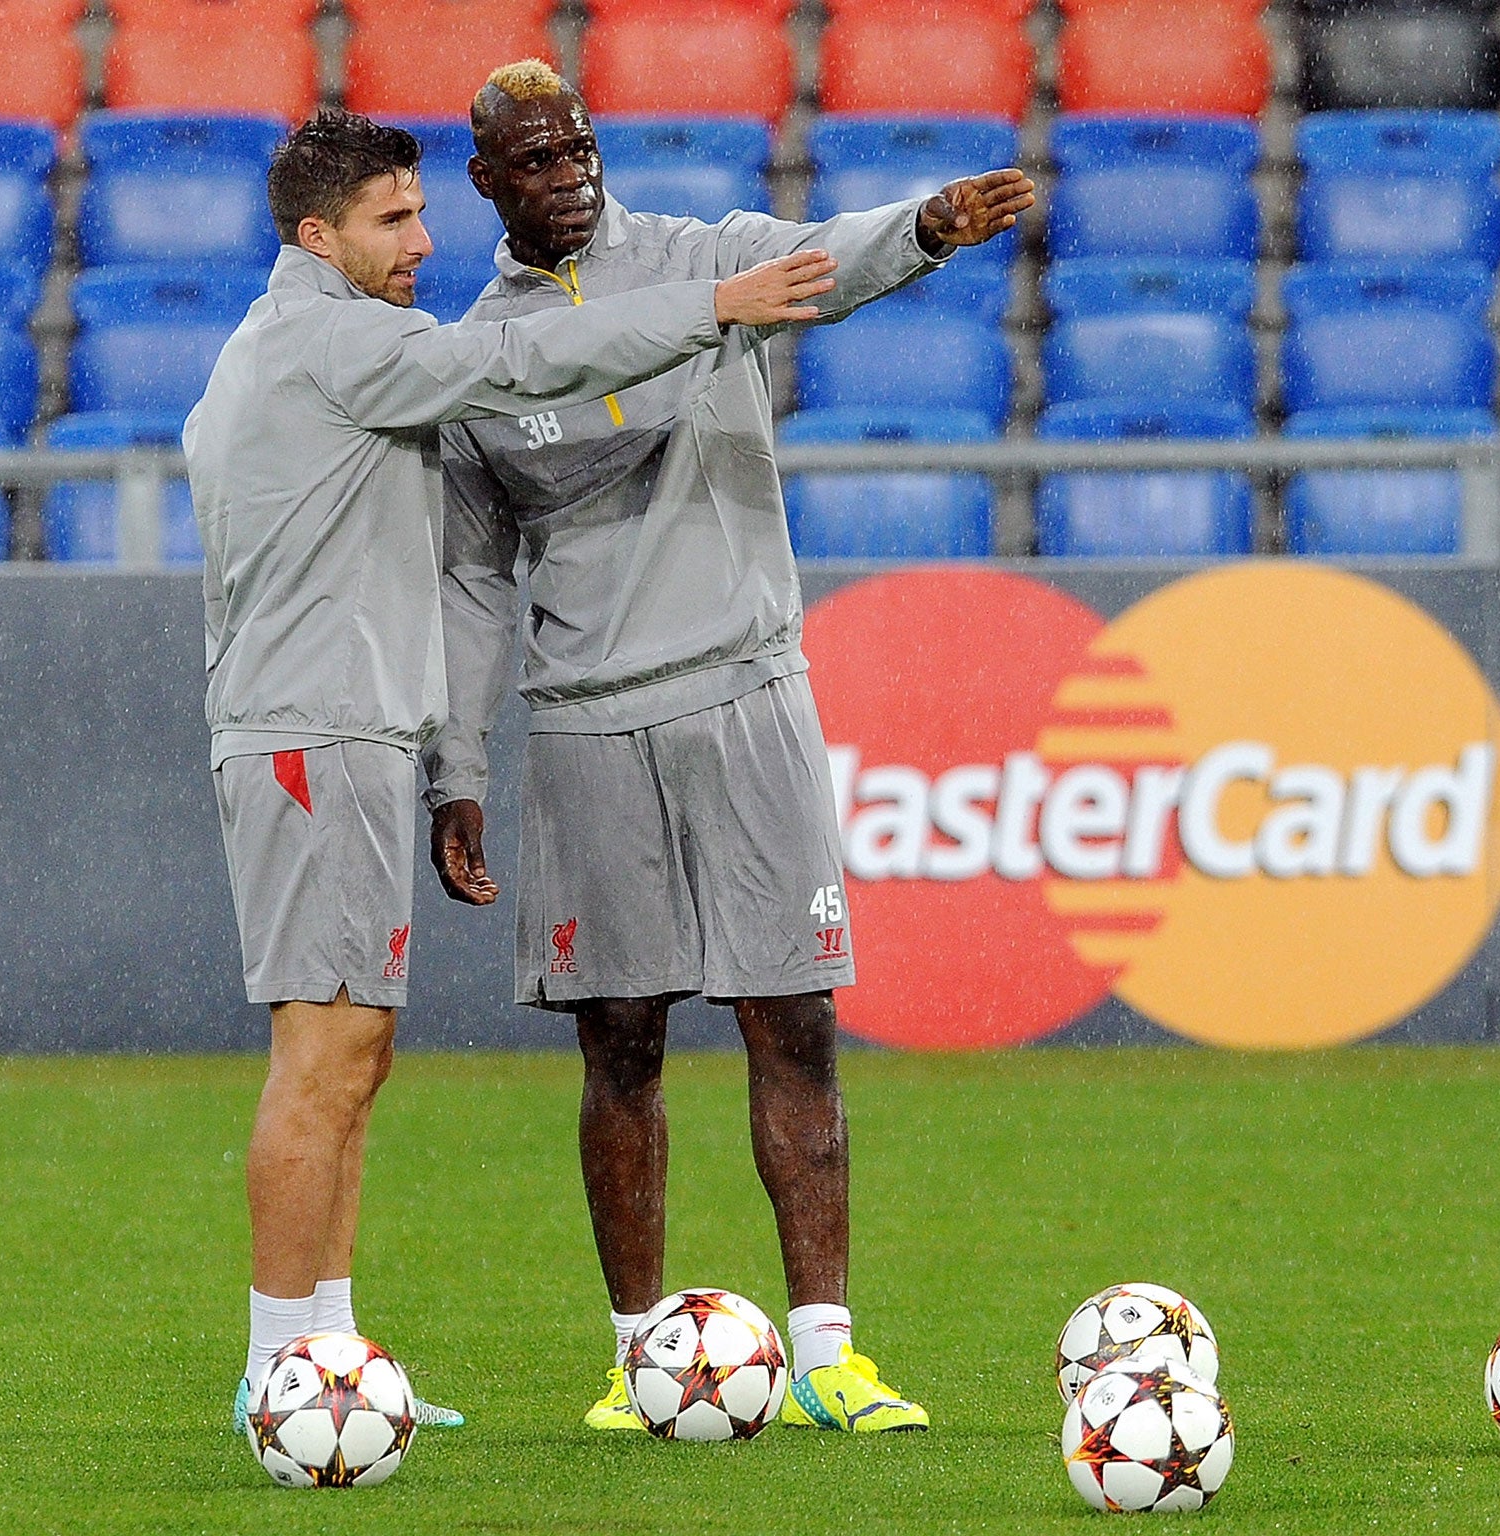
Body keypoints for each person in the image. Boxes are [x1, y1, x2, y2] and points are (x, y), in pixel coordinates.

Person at [185, 106, 841, 1436]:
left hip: (340, 732)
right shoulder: (336, 342)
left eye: (422, 213)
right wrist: (712, 305)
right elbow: (526, 358)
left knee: (356, 1051)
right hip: (315, 737)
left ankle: (327, 1349)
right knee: (320, 1055)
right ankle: (275, 1367)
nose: (422, 243)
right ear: (316, 235)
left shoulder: (279, 347)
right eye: (392, 220)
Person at [425, 62, 1034, 1434]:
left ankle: (827, 1356)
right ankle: (636, 1357)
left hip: (746, 692)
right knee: (621, 1046)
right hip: (587, 720)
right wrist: (455, 765)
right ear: (487, 182)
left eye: (579, 147)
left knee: (794, 1022)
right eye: (536, 159)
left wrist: (925, 228)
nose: (568, 175)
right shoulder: (477, 362)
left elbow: (829, 258)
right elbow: (468, 582)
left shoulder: (706, 261)